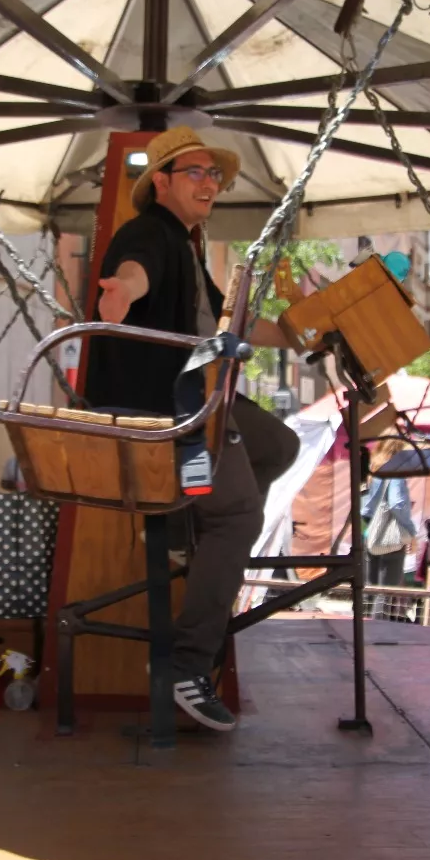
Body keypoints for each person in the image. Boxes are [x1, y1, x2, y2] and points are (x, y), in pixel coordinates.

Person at [86, 126, 300, 732]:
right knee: (237, 516)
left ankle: (192, 522)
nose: (210, 184)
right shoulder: (150, 234)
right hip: (168, 407)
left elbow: (228, 319)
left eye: (215, 176)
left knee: (279, 445)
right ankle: (187, 665)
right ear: (162, 182)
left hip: (201, 398)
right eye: (196, 173)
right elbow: (133, 272)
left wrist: (301, 331)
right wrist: (121, 293)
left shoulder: (186, 246)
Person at [363, 476, 418, 620]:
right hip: (389, 536)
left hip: (370, 533)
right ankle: (377, 633)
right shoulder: (396, 472)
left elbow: (366, 507)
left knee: (369, 589)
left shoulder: (376, 472)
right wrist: (410, 533)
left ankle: (360, 630)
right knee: (385, 591)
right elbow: (397, 504)